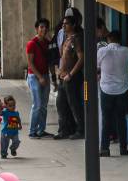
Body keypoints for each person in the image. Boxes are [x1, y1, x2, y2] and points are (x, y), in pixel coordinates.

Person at [98, 30, 128, 156]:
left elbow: (96, 66)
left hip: (106, 90)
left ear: (109, 39)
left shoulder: (102, 51)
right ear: (119, 39)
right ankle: (123, 148)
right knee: (121, 120)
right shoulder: (126, 51)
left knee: (106, 119)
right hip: (122, 90)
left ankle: (104, 149)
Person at [55, 10, 85, 140]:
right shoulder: (66, 38)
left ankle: (81, 129)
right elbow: (63, 57)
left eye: (66, 24)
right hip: (62, 77)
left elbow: (81, 58)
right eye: (63, 23)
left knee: (74, 104)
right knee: (61, 103)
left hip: (71, 77)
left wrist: (71, 74)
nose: (63, 26)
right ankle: (64, 129)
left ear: (73, 25)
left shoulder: (76, 39)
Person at [25, 18, 54, 139]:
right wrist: (40, 77)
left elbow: (51, 62)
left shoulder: (48, 43)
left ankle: (41, 130)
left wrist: (53, 78)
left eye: (45, 27)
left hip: (45, 76)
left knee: (43, 105)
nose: (44, 29)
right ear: (37, 29)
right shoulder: (31, 43)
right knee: (37, 104)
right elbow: (30, 63)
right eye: (41, 27)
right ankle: (32, 131)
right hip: (34, 76)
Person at [0, 95, 22, 159]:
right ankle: (3, 154)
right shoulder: (5, 112)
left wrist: (20, 125)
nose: (12, 107)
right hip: (6, 132)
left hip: (14, 132)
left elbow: (18, 119)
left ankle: (13, 149)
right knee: (4, 144)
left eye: (14, 105)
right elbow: (0, 113)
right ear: (6, 106)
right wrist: (1, 107)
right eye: (10, 106)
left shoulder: (16, 113)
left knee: (16, 141)